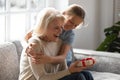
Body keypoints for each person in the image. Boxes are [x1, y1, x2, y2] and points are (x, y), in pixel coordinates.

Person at [19, 7, 93, 80]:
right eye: (56, 28)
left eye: (61, 27)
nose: (61, 31)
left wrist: (71, 69)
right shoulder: (35, 44)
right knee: (78, 77)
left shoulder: (60, 41)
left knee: (87, 74)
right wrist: (27, 47)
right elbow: (41, 78)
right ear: (45, 27)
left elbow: (64, 67)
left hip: (53, 71)